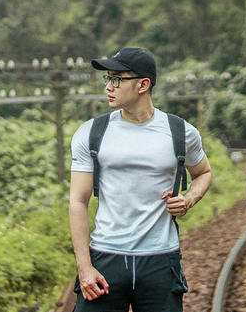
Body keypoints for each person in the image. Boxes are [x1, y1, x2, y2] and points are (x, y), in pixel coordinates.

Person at [69, 47, 212, 312]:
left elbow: (203, 173)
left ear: (143, 84)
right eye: (108, 79)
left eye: (117, 79)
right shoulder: (91, 133)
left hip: (160, 260)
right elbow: (78, 201)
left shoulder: (181, 132)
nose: (109, 87)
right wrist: (84, 267)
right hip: (106, 258)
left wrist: (189, 199)